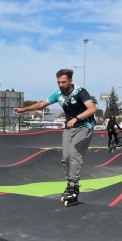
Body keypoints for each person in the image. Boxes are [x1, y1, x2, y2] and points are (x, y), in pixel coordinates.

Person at [13, 69, 97, 206]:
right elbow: (41, 104)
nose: (61, 85)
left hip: (85, 126)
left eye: (63, 82)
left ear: (70, 81)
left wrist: (77, 118)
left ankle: (74, 184)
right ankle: (70, 184)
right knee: (65, 157)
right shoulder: (58, 95)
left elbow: (92, 109)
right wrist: (24, 109)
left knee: (74, 153)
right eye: (58, 82)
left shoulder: (81, 92)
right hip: (69, 127)